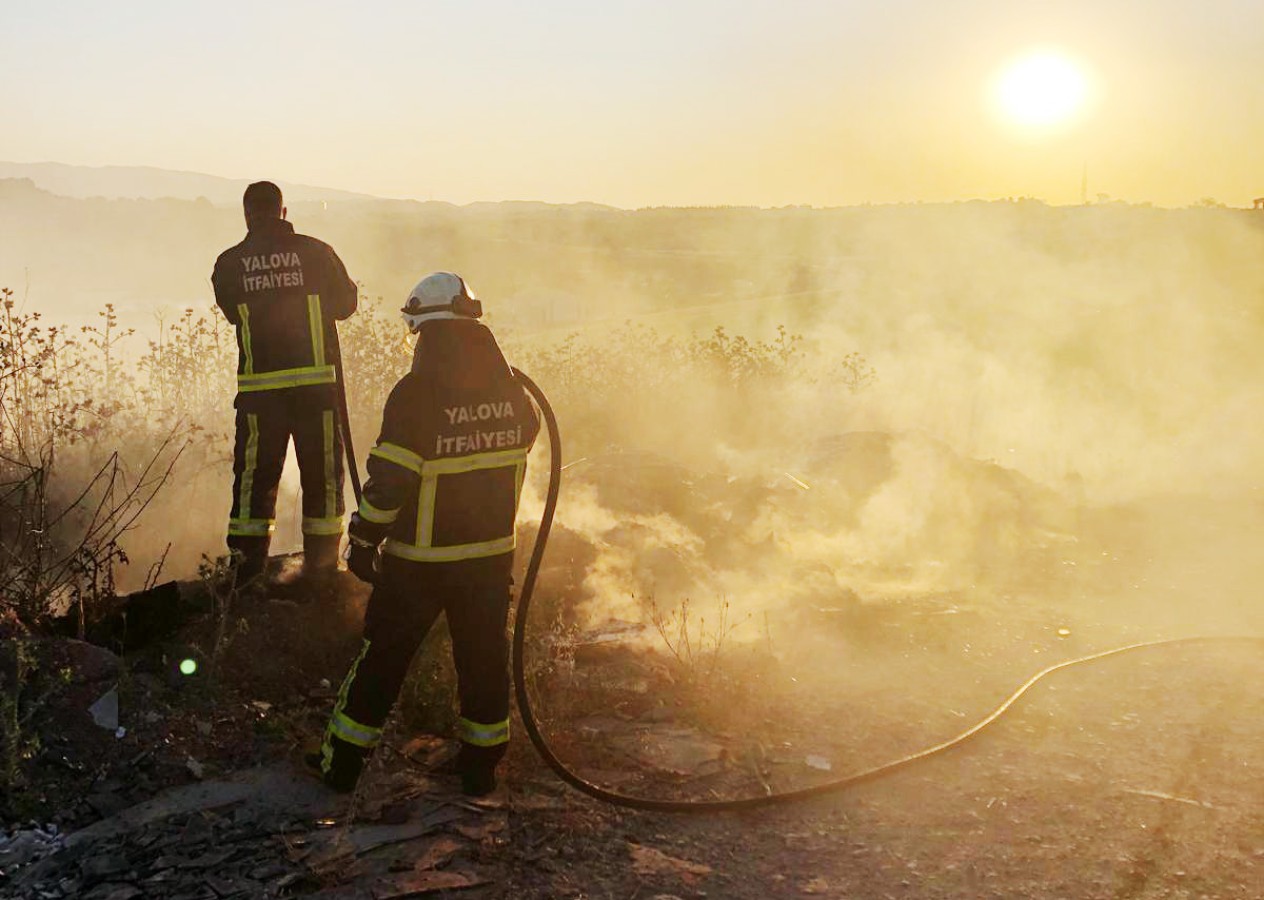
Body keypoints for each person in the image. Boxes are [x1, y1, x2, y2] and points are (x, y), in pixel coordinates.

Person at [314, 272, 539, 796]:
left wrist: (364, 538)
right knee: (483, 660)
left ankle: (340, 766)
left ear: (426, 328)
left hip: (420, 561)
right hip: (489, 559)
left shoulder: (416, 394)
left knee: (383, 660)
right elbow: (518, 446)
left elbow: (390, 482)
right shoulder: (514, 392)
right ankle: (481, 772)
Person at [211, 181, 358, 586]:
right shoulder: (317, 253)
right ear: (284, 212)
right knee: (323, 480)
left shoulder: (229, 264)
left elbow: (231, 313)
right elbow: (346, 306)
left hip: (261, 396)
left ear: (247, 215)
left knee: (254, 485)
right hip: (317, 392)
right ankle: (323, 571)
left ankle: (245, 573)